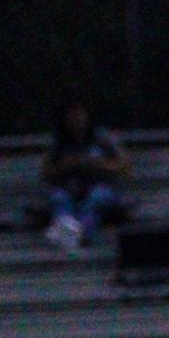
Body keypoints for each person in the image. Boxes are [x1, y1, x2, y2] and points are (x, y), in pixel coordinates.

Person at [41, 98, 132, 251]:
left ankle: (82, 234)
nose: (76, 119)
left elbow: (124, 166)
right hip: (69, 189)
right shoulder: (59, 142)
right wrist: (66, 166)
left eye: (79, 114)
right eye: (71, 115)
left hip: (99, 187)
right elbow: (46, 172)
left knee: (97, 198)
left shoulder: (102, 138)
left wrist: (98, 164)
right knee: (59, 198)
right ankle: (67, 234)